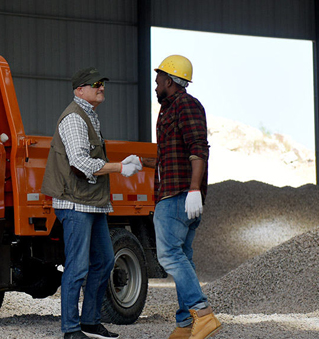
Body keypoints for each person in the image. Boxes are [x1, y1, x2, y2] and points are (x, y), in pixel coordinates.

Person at [41, 67, 142, 339]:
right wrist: (119, 167)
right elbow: (79, 162)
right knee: (77, 267)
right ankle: (71, 329)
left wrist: (119, 166)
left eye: (102, 84)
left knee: (105, 261)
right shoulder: (74, 118)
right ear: (79, 90)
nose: (101, 87)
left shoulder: (89, 116)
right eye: (95, 84)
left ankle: (90, 322)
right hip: (75, 204)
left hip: (92, 203)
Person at [140, 55, 221, 339]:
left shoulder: (186, 105)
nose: (155, 82)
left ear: (171, 81)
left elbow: (198, 148)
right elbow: (171, 157)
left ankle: (203, 313)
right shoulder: (169, 108)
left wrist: (194, 188)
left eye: (159, 78)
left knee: (169, 255)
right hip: (177, 193)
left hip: (178, 196)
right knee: (183, 256)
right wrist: (143, 163)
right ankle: (186, 324)